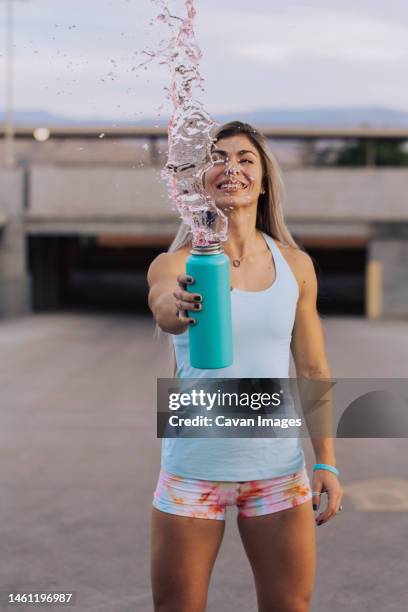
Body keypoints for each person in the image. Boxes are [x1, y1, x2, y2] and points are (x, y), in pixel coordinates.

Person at [147, 121, 343, 612]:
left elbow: (314, 370)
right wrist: (177, 304)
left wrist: (326, 462)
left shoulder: (296, 265)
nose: (230, 167)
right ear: (201, 180)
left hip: (277, 472)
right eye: (217, 157)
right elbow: (165, 310)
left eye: (245, 159)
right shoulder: (176, 263)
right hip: (193, 472)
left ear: (263, 180)